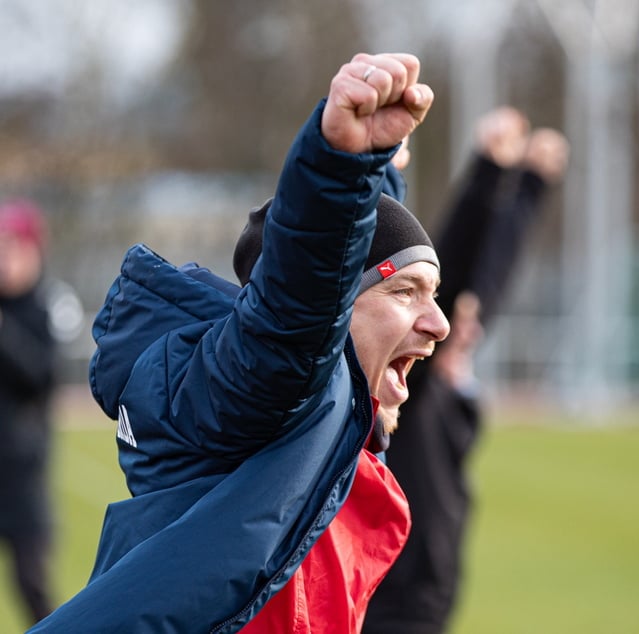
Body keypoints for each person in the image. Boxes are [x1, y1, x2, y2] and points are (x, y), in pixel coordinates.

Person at [28, 52, 448, 634]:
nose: (438, 323)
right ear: (333, 309)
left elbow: (335, 274)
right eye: (407, 292)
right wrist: (342, 170)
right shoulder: (270, 393)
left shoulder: (322, 416)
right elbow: (298, 307)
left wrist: (373, 176)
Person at [363, 107, 570, 633]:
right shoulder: (412, 385)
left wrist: (529, 188)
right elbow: (446, 269)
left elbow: (487, 283)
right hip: (390, 610)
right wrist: (489, 173)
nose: (456, 328)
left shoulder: (450, 381)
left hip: (426, 609)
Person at [0, 199, 57, 627]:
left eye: (13, 249)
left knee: (31, 582)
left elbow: (41, 376)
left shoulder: (41, 309)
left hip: (21, 475)